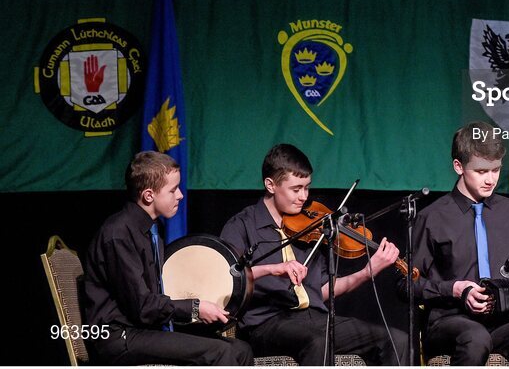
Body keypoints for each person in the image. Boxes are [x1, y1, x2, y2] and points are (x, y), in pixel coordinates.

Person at [220, 143, 408, 365]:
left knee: (396, 340)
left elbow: (323, 290)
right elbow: (227, 276)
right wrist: (273, 268)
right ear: (271, 185)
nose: (303, 196)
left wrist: (368, 272)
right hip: (265, 323)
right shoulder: (242, 225)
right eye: (296, 189)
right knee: (318, 342)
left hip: (315, 318)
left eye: (307, 187)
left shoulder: (311, 227)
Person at [82, 151, 254, 365]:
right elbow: (142, 307)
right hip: (120, 337)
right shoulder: (118, 235)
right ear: (148, 195)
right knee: (221, 353)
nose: (180, 195)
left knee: (240, 348)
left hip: (144, 330)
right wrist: (195, 307)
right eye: (172, 190)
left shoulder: (153, 228)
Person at [402, 121, 509, 365]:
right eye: (481, 171)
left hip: (501, 322)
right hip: (449, 322)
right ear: (459, 166)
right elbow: (405, 284)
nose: (491, 179)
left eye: (496, 170)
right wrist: (455, 289)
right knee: (475, 337)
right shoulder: (433, 217)